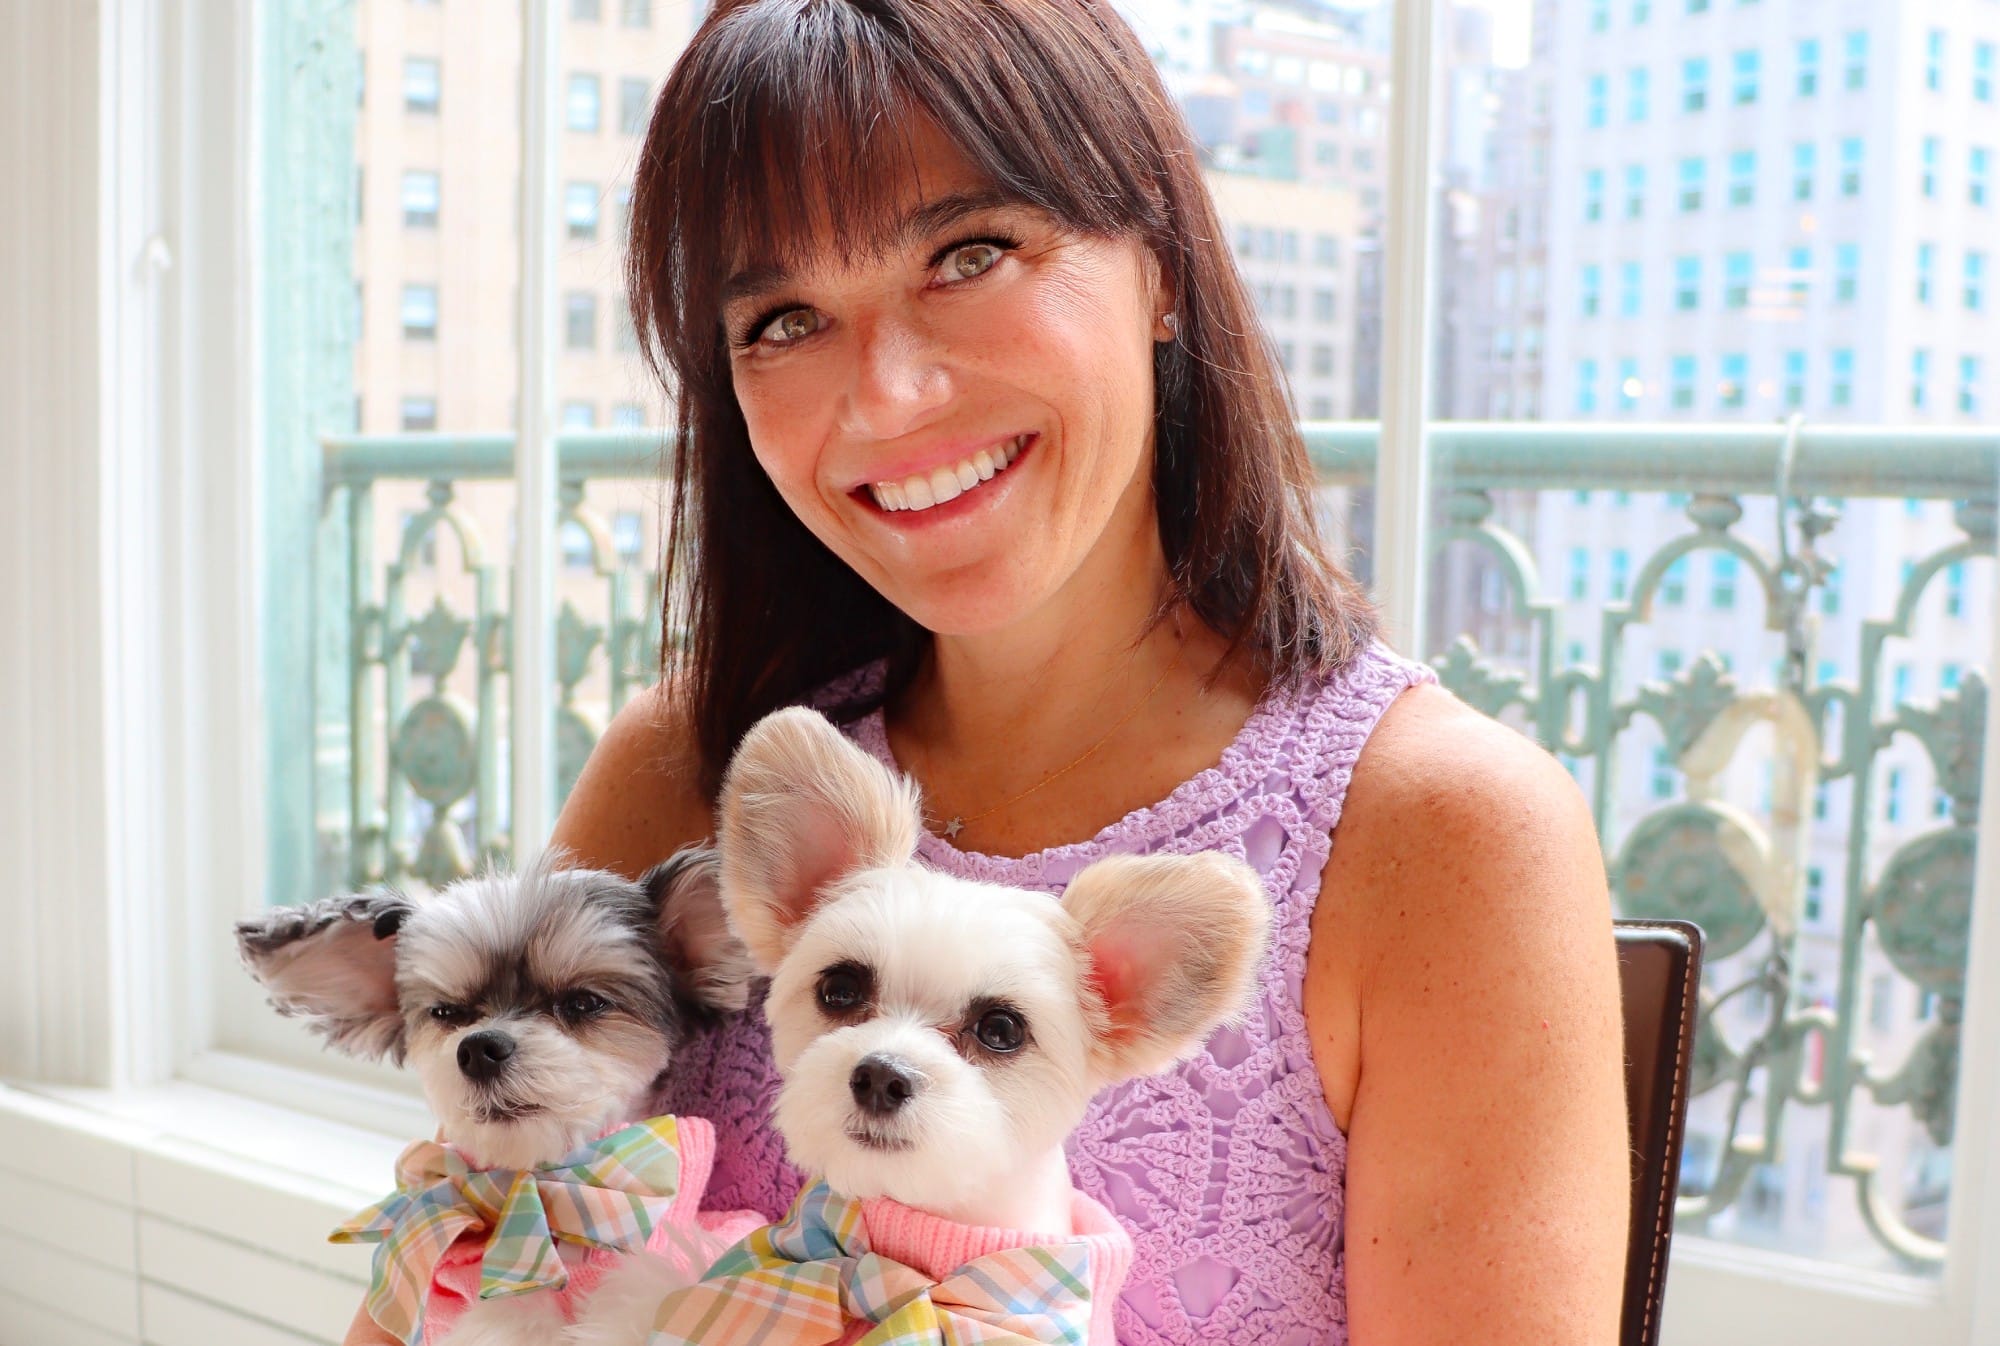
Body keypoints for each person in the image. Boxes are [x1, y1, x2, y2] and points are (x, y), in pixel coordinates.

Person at [343, 2, 1627, 1342]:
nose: (887, 394)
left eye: (969, 251)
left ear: (1164, 262)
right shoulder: (687, 768)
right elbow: (436, 1304)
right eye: (783, 318)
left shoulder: (1442, 832)